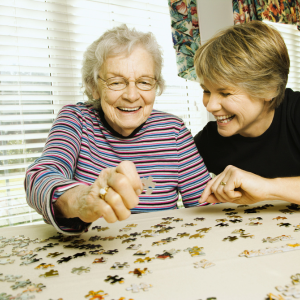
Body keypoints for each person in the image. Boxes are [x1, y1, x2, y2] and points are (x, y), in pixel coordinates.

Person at [25, 25, 210, 234]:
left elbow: (206, 206)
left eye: (144, 82)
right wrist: (82, 200)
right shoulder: (75, 120)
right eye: (116, 82)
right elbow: (39, 177)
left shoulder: (174, 131)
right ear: (94, 86)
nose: (131, 95)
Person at [193, 21, 300, 206]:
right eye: (206, 91)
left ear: (269, 89)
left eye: (225, 93)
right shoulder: (209, 140)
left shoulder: (296, 113)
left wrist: (266, 188)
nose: (210, 106)